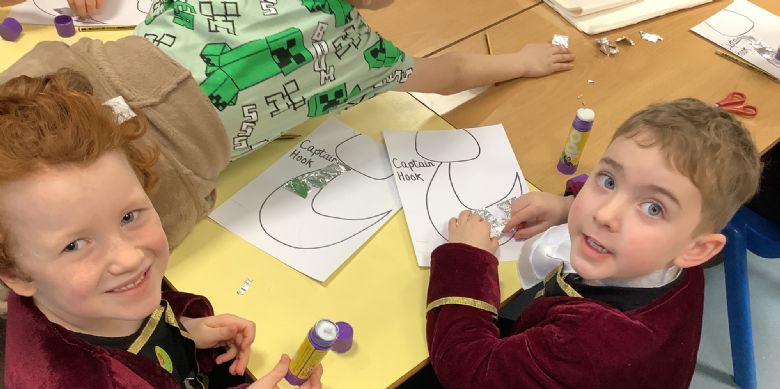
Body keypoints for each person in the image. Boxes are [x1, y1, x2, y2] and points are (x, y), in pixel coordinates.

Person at [0, 69, 346, 389]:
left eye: (130, 216)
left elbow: (148, 299)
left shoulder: (80, 295)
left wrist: (185, 326)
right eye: (75, 245)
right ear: (16, 275)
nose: (128, 258)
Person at [384, 98, 761, 389]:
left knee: (408, 373)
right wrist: (567, 209)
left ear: (696, 249)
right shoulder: (677, 268)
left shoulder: (593, 344)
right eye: (608, 180)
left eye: (653, 208)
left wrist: (467, 258)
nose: (604, 214)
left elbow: (463, 366)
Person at [0, 0, 573, 248]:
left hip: (75, 77)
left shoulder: (361, 53)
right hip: (163, 163)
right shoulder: (358, 52)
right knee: (57, 264)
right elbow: (449, 75)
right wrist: (520, 62)